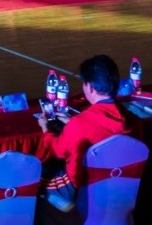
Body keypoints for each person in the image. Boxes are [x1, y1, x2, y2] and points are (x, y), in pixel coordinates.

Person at [38, 55, 135, 213]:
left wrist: (45, 129)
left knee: (32, 179)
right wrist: (73, 123)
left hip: (82, 187)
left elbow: (57, 150)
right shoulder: (132, 120)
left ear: (89, 87)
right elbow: (100, 128)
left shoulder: (80, 124)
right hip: (120, 185)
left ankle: (62, 209)